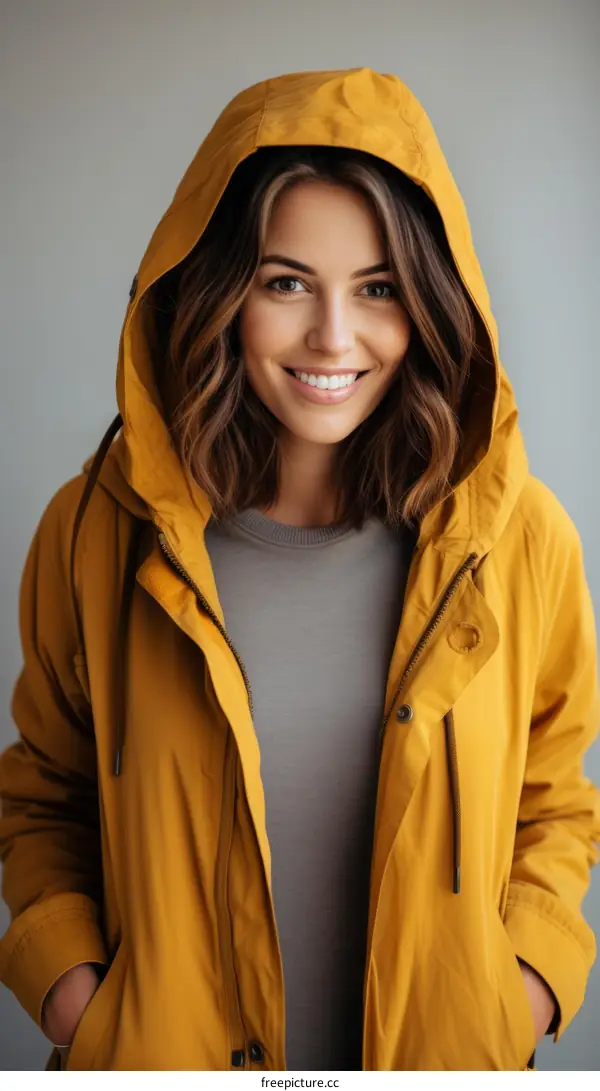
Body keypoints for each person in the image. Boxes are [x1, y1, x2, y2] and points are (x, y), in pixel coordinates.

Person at [0, 66, 599, 1074]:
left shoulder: (518, 538)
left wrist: (520, 989)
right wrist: (77, 1000)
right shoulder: (97, 530)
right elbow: (45, 791)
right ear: (223, 290)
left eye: (378, 289)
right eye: (286, 283)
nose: (333, 335)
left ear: (431, 304)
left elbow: (554, 794)